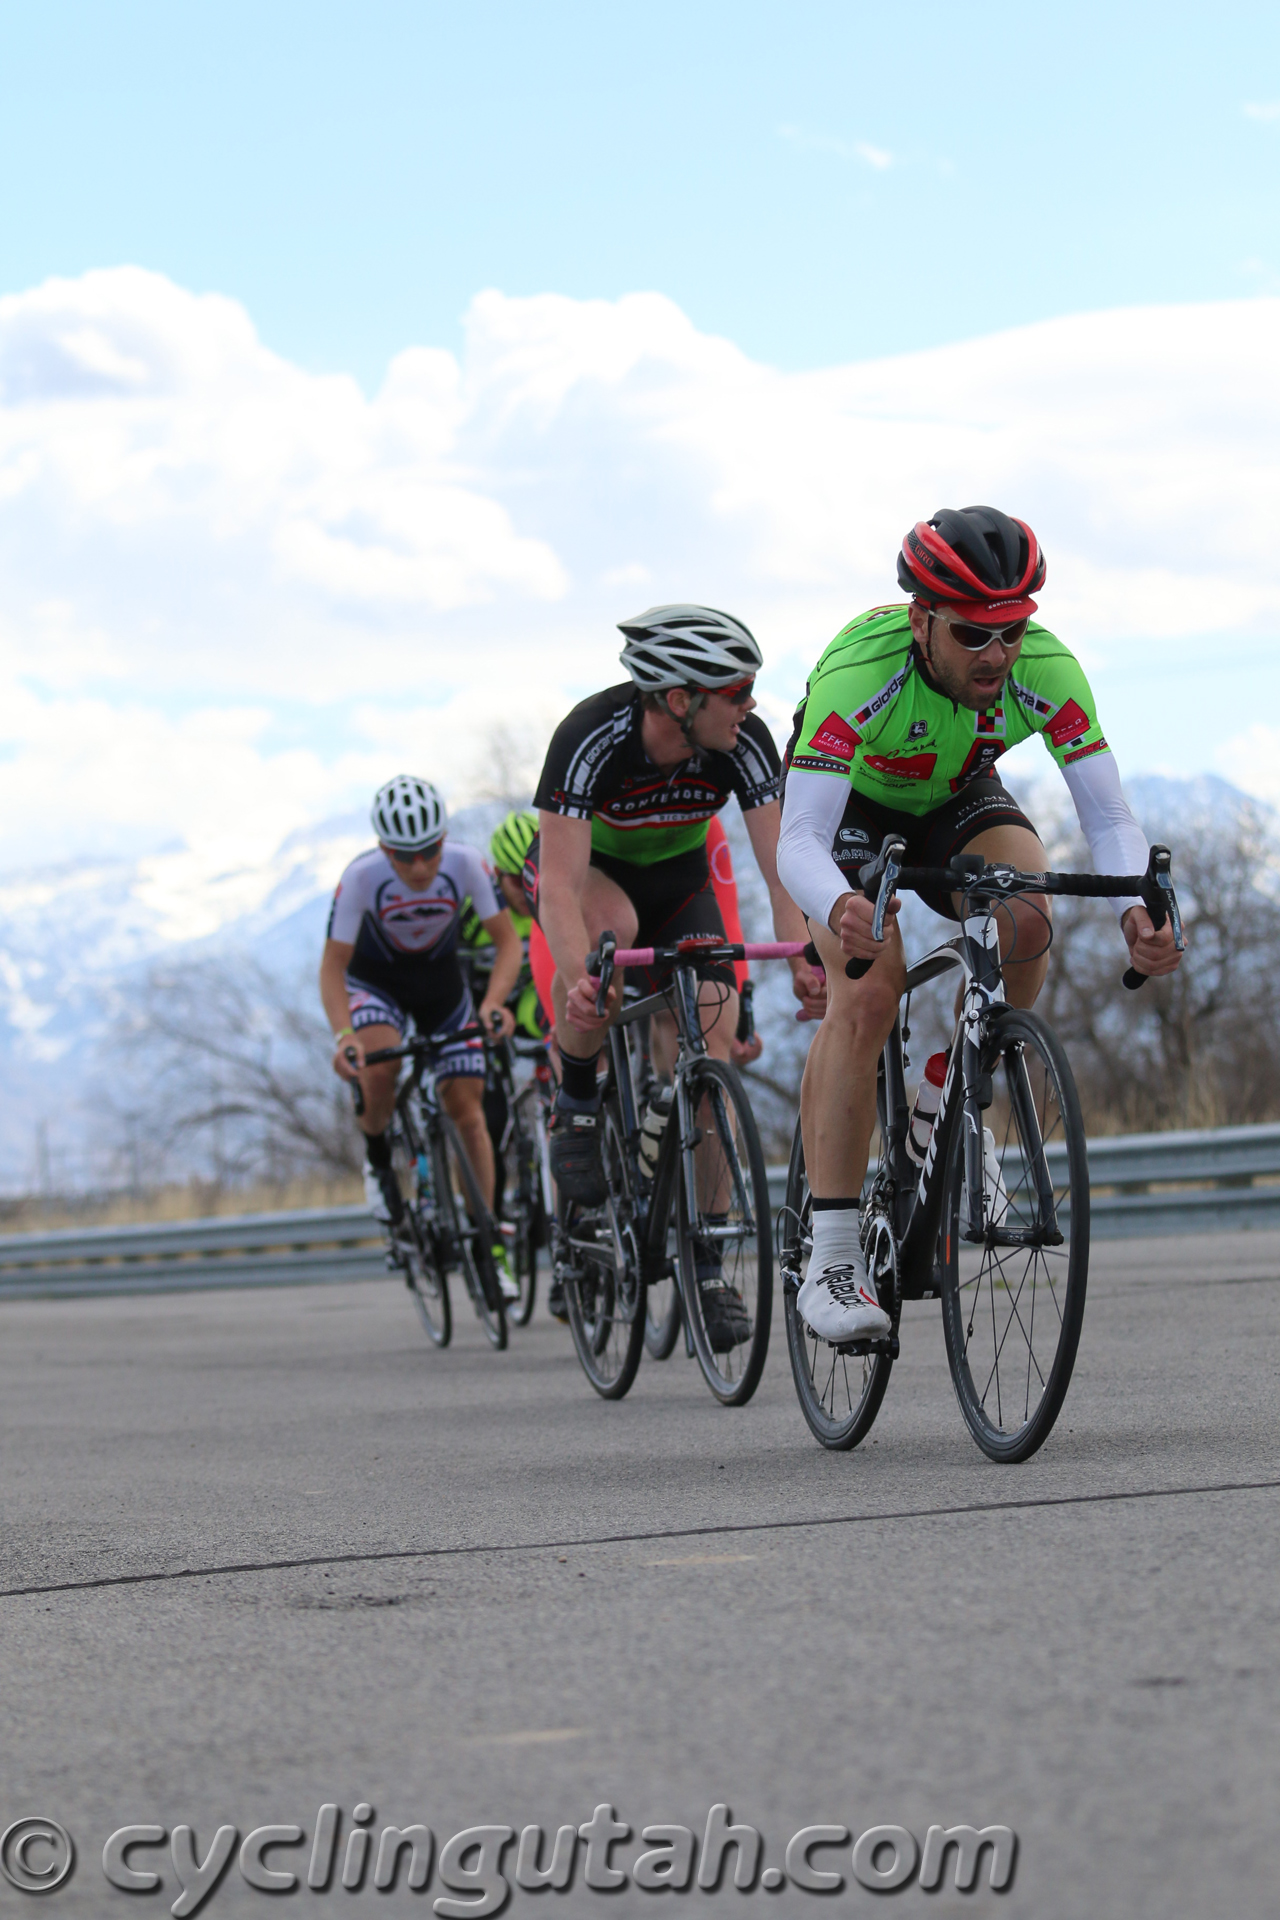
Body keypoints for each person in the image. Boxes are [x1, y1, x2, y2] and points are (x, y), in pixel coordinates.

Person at [776, 506, 1184, 1343]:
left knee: (1027, 913)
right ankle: (835, 1258)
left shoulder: (1047, 669)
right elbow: (802, 839)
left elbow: (1109, 821)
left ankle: (959, 1100)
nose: (998, 656)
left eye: (1012, 632)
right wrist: (840, 907)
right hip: (849, 812)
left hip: (956, 797)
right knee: (869, 988)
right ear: (922, 621)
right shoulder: (862, 672)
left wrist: (1136, 906)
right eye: (973, 636)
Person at [527, 603, 825, 1350]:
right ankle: (578, 1099)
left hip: (683, 879)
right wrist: (580, 981)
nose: (751, 704)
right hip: (600, 879)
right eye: (736, 690)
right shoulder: (592, 736)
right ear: (678, 698)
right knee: (608, 940)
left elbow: (782, 869)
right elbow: (556, 887)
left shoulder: (744, 742)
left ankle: (709, 1261)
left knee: (712, 1038)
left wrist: (805, 958)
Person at [320, 775, 524, 1300]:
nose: (419, 867)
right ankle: (378, 1158)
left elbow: (508, 946)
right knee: (380, 1068)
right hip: (376, 986)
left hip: (442, 990)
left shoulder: (467, 864)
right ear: (383, 848)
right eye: (403, 855)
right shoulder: (360, 879)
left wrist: (494, 1003)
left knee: (470, 1113)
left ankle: (487, 1246)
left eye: (429, 850)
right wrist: (344, 1035)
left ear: (444, 839)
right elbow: (332, 969)